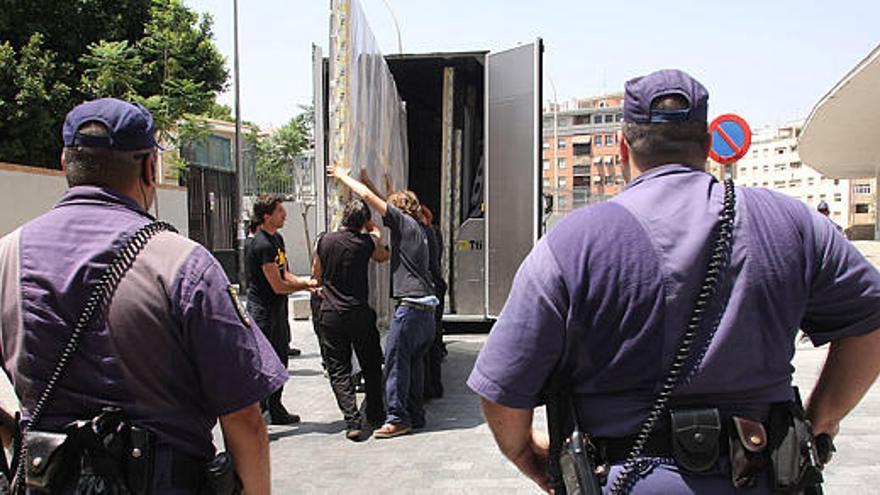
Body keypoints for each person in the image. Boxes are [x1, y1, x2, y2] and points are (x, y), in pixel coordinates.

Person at [467, 70, 880, 493]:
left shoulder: (571, 243)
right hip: (763, 477)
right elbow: (871, 321)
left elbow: (501, 384)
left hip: (626, 479)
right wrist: (820, 420)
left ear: (624, 149)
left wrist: (525, 454)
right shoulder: (795, 223)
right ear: (707, 146)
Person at [0, 98, 287, 493]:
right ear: (150, 166)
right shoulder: (184, 264)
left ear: (65, 162)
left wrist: (18, 441)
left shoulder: (7, 257)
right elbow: (244, 419)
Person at [328, 166, 438, 439]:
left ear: (399, 212)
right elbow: (386, 205)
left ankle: (398, 418)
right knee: (413, 364)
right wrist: (375, 183)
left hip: (410, 308)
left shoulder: (404, 224)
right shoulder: (423, 229)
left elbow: (372, 199)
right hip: (427, 312)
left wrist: (344, 177)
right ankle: (415, 415)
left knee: (395, 363)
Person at [313, 199, 390, 440]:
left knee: (339, 369)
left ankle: (352, 421)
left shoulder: (324, 240)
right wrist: (373, 229)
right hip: (359, 312)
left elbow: (316, 274)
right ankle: (376, 413)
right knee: (371, 363)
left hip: (331, 314)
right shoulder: (365, 243)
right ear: (362, 222)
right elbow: (382, 254)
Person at [247, 194, 316, 425]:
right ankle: (258, 416)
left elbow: (285, 274)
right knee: (263, 364)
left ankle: (276, 409)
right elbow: (277, 286)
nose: (284, 214)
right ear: (266, 216)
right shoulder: (262, 244)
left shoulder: (277, 239)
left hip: (277, 310)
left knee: (280, 360)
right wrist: (306, 285)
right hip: (263, 312)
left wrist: (307, 283)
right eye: (279, 211)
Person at [420, 205, 448, 400]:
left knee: (428, 343)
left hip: (431, 289)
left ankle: (429, 387)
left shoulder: (423, 235)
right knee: (434, 339)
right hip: (437, 286)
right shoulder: (434, 232)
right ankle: (435, 387)